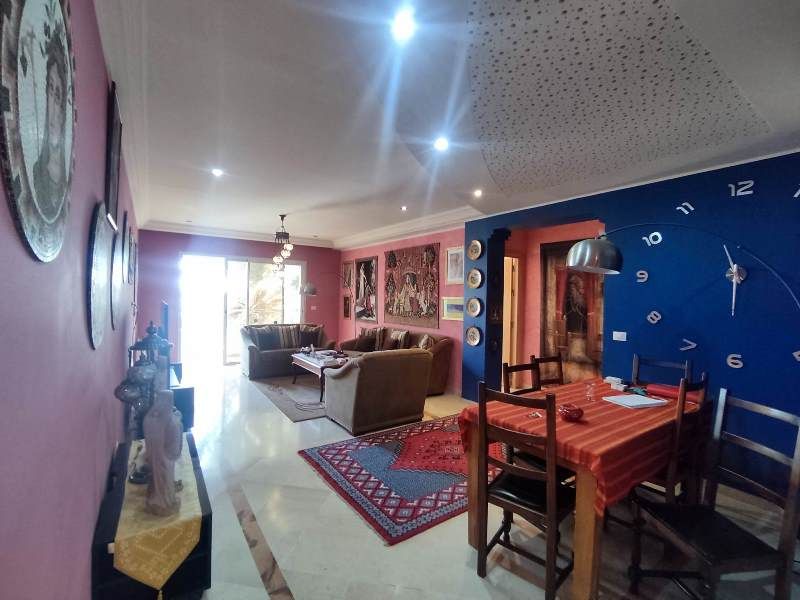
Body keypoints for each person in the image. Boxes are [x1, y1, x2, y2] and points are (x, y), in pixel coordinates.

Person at [31, 33, 69, 221]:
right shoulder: (38, 170)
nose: (52, 107)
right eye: (50, 89)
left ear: (63, 110)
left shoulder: (64, 181)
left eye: (58, 95)